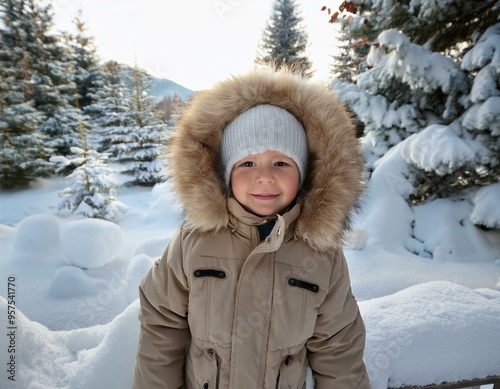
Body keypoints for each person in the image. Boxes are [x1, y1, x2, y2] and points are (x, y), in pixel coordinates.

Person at [133, 67, 370, 388]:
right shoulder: (195, 239)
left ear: (303, 172)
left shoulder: (321, 254)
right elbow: (162, 324)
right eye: (247, 163)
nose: (265, 176)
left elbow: (338, 347)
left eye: (282, 163)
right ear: (226, 171)